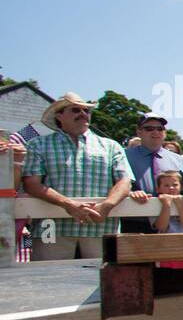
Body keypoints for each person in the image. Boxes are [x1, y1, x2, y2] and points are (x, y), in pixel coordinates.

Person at [21, 92, 132, 259]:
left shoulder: (111, 146)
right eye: (75, 110)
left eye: (86, 110)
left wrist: (107, 205)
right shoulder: (38, 144)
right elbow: (32, 184)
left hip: (101, 226)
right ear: (59, 115)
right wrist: (67, 203)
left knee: (102, 279)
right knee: (47, 280)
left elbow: (125, 181)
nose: (83, 114)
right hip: (50, 227)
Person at [122, 113, 183, 233]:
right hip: (135, 220)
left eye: (160, 129)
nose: (155, 132)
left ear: (164, 133)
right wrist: (130, 193)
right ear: (139, 132)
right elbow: (115, 184)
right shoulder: (124, 156)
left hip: (171, 223)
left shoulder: (180, 160)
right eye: (149, 128)